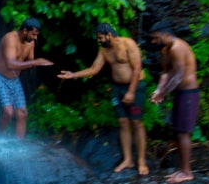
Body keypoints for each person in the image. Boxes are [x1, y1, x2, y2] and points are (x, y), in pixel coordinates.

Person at [57, 22, 148, 175]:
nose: (99, 41)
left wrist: (131, 92)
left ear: (109, 34)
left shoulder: (128, 44)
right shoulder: (104, 51)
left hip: (135, 87)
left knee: (137, 122)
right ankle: (128, 159)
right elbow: (94, 69)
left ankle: (141, 161)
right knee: (123, 122)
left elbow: (137, 68)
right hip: (117, 89)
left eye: (100, 38)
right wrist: (73, 75)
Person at [148, 23, 199, 184]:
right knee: (177, 131)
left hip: (189, 93)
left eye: (156, 38)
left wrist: (162, 94)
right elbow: (166, 73)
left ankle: (187, 172)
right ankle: (181, 169)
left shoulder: (178, 47)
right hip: (179, 93)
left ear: (166, 35)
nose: (154, 42)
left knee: (183, 132)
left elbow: (177, 76)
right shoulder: (165, 51)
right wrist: (158, 90)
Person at [0, 17, 53, 139]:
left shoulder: (31, 43)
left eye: (37, 35)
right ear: (24, 30)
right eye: (33, 34)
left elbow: (30, 62)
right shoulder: (10, 39)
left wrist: (39, 64)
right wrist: (36, 62)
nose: (35, 38)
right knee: (8, 112)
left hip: (14, 80)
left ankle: (19, 145)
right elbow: (10, 64)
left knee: (23, 113)